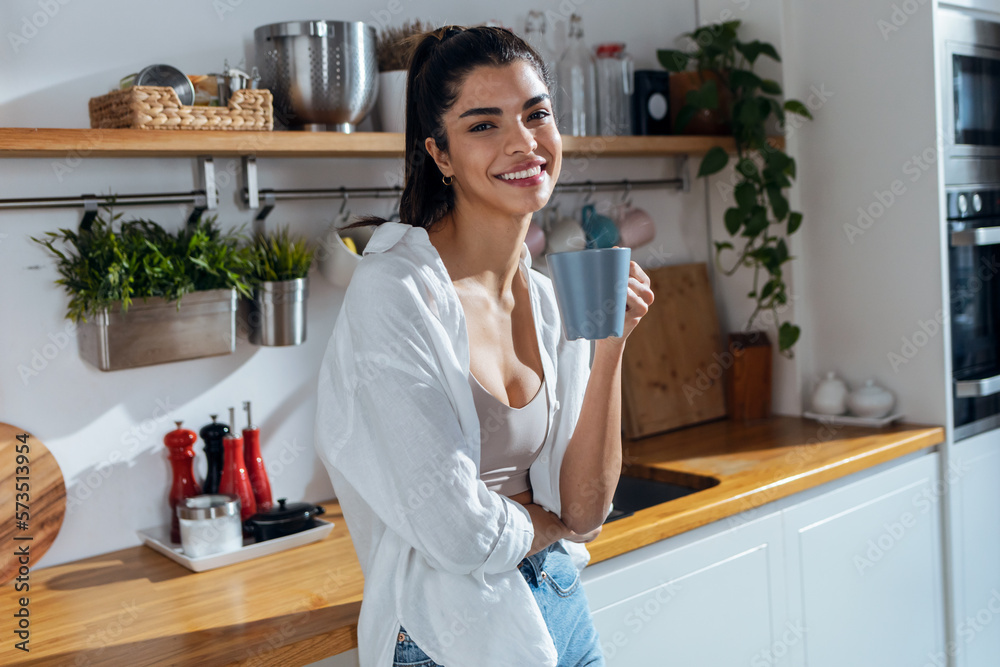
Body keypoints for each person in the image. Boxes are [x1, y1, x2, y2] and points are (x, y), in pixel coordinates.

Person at [314, 24, 654, 667]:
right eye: (483, 125)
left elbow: (584, 510)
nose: (524, 143)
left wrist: (610, 344)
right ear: (440, 154)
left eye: (536, 114)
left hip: (559, 606)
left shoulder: (551, 300)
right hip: (449, 633)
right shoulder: (395, 291)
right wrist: (542, 525)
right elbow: (452, 527)